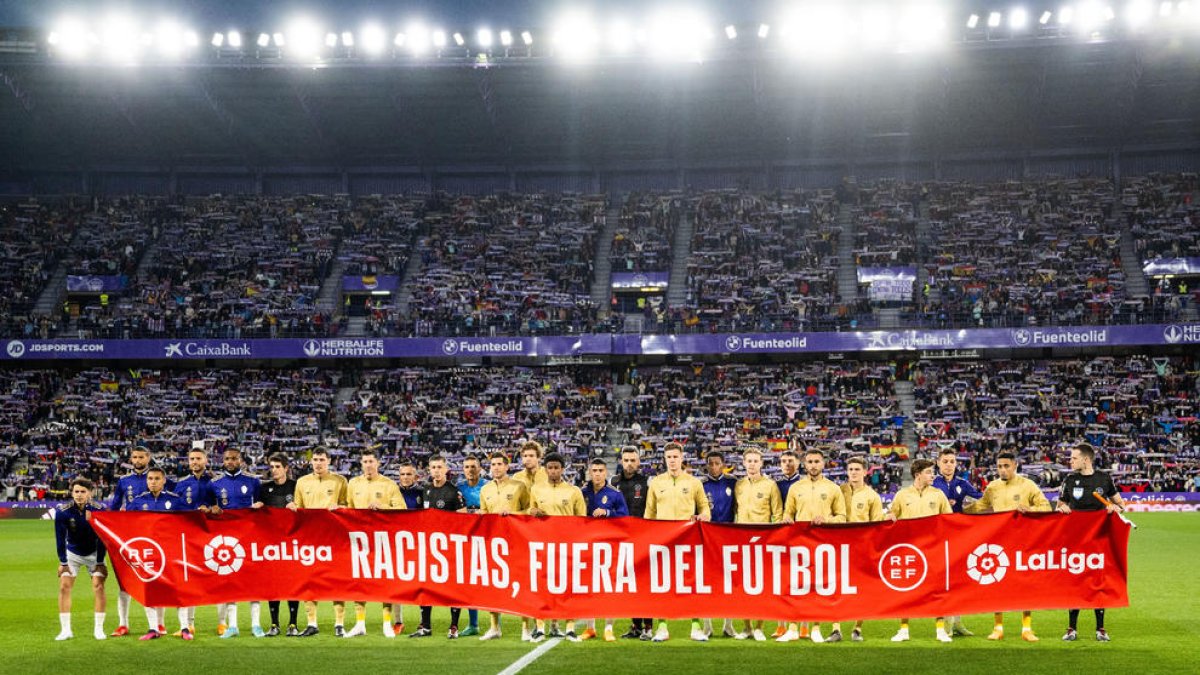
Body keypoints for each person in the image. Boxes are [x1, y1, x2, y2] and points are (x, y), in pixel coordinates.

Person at [966, 450, 1052, 641]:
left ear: (1015, 465)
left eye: (1006, 466)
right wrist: (957, 511)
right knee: (998, 584)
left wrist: (1030, 509)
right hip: (1000, 543)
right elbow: (980, 506)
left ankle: (1026, 629)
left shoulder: (1028, 485)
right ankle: (998, 627)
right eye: (999, 466)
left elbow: (1045, 507)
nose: (1002, 470)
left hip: (1023, 542)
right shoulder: (993, 487)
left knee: (1025, 585)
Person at [1055, 443, 1126, 642]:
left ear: (1086, 460)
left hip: (1099, 540)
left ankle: (1100, 629)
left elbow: (1121, 504)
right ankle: (1072, 629)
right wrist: (1061, 509)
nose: (1070, 461)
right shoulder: (1070, 480)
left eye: (1074, 458)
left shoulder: (1104, 478)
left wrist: (1115, 508)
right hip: (1075, 540)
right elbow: (1059, 505)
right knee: (1076, 581)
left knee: (1098, 582)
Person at [644, 441, 711, 643]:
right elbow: (649, 514)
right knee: (662, 583)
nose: (672, 460)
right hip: (663, 540)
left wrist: (703, 517)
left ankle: (696, 627)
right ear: (664, 459)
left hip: (688, 539)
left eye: (675, 457)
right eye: (669, 457)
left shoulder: (694, 482)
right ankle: (662, 627)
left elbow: (705, 509)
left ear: (682, 458)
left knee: (691, 582)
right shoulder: (656, 483)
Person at [778, 447, 847, 643]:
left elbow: (842, 516)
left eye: (817, 461)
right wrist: (787, 519)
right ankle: (792, 628)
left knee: (819, 587)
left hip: (823, 543)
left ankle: (815, 628)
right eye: (810, 462)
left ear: (823, 463)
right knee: (796, 585)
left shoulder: (833, 488)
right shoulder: (796, 487)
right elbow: (788, 513)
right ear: (804, 464)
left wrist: (826, 520)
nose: (813, 465)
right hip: (799, 543)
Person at [886, 458, 954, 643]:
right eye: (929, 472)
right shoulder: (902, 495)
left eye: (933, 472)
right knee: (906, 590)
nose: (933, 475)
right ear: (918, 475)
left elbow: (949, 520)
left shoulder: (938, 494)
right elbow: (892, 515)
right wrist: (890, 516)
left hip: (933, 548)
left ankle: (940, 630)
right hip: (910, 549)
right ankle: (903, 630)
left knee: (937, 590)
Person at [288, 447, 349, 637]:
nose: (318, 463)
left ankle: (339, 624)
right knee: (309, 581)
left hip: (333, 538)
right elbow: (298, 507)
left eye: (322, 459)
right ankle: (312, 623)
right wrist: (292, 507)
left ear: (329, 461)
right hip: (310, 539)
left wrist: (340, 507)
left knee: (337, 582)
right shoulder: (302, 482)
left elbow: (348, 506)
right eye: (315, 459)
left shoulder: (340, 481)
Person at [527, 452, 588, 642]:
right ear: (545, 469)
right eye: (550, 468)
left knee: (568, 587)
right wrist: (532, 511)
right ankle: (540, 627)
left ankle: (569, 627)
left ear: (562, 469)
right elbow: (530, 512)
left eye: (556, 468)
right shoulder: (536, 489)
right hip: (543, 544)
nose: (553, 471)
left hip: (566, 546)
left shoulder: (573, 491)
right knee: (542, 587)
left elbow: (582, 519)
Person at [345, 449, 405, 639]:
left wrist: (383, 507)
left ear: (378, 463)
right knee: (359, 582)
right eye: (365, 461)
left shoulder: (389, 484)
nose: (368, 465)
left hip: (382, 541)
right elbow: (349, 509)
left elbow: (402, 510)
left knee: (383, 582)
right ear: (361, 464)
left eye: (371, 461)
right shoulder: (353, 483)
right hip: (360, 540)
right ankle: (359, 623)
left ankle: (387, 623)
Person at [107, 445, 166, 638]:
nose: (138, 460)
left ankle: (160, 624)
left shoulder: (157, 477)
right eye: (134, 457)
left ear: (148, 458)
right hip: (132, 538)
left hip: (156, 539)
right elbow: (114, 508)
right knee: (125, 583)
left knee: (156, 581)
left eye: (141, 457)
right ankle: (123, 624)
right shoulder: (124, 481)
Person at [477, 451, 530, 641]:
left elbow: (529, 510)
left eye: (500, 464)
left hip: (516, 541)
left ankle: (526, 628)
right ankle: (494, 628)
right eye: (493, 464)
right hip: (493, 542)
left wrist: (515, 514)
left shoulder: (519, 486)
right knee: (492, 586)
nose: (496, 467)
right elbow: (483, 514)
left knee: (521, 584)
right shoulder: (485, 489)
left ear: (507, 466)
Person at [210, 448, 263, 638]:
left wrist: (260, 505)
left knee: (253, 583)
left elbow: (262, 505)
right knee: (231, 582)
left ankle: (256, 625)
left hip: (250, 538)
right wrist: (212, 508)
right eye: (227, 459)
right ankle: (232, 626)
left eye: (234, 458)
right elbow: (209, 508)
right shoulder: (214, 483)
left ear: (241, 460)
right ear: (222, 461)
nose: (230, 462)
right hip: (227, 541)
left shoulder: (253, 481)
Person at [732, 447, 782, 642]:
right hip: (741, 541)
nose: (752, 464)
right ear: (744, 463)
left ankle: (760, 627)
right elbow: (734, 511)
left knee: (762, 586)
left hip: (763, 542)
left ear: (761, 463)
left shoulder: (770, 486)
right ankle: (747, 627)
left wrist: (774, 539)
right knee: (743, 587)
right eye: (749, 461)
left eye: (755, 461)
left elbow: (777, 514)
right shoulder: (739, 485)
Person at [412, 455, 465, 640]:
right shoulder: (425, 490)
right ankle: (425, 625)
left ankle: (454, 626)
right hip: (429, 547)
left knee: (453, 587)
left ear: (446, 469)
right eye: (433, 467)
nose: (436, 470)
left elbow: (464, 519)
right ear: (429, 469)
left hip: (449, 547)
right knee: (425, 586)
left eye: (439, 467)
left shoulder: (453, 492)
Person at [128, 467, 183, 641]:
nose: (153, 482)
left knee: (176, 589)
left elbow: (187, 523)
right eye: (150, 478)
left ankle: (184, 628)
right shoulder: (138, 502)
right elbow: (126, 524)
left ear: (164, 480)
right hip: (148, 551)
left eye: (157, 478)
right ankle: (153, 628)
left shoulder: (175, 500)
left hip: (171, 551)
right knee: (149, 589)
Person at [932, 447, 982, 637]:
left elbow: (981, 500)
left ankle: (957, 622)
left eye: (952, 461)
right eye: (945, 461)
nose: (949, 465)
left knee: (959, 580)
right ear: (938, 463)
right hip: (938, 538)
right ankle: (944, 624)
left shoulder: (963, 483)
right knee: (942, 582)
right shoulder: (932, 483)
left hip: (958, 538)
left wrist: (970, 507)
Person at [580, 458, 628, 642]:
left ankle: (609, 628)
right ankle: (590, 627)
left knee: (609, 587)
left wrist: (607, 513)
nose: (597, 474)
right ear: (589, 472)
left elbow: (625, 518)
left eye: (601, 470)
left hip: (609, 546)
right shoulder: (582, 492)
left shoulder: (615, 494)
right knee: (588, 587)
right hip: (587, 545)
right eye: (594, 470)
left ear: (606, 472)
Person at [54, 478, 108, 641]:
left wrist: (100, 562)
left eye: (83, 491)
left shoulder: (100, 510)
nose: (79, 495)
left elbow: (103, 538)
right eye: (76, 491)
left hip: (94, 553)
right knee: (64, 587)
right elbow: (60, 538)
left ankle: (98, 629)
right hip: (73, 554)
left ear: (90, 493)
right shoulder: (63, 511)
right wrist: (63, 562)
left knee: (99, 587)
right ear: (72, 493)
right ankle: (65, 630)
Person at [171, 444, 215, 640]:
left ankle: (223, 623)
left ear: (206, 460)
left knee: (219, 578)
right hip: (187, 538)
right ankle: (188, 625)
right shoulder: (180, 485)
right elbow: (174, 511)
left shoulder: (215, 482)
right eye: (192, 459)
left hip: (212, 537)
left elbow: (223, 507)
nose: (195, 462)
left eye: (198, 458)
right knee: (187, 580)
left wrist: (211, 510)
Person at [253, 453, 299, 637]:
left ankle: (293, 624)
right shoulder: (264, 489)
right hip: (271, 544)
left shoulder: (296, 486)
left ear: (286, 468)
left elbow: (306, 511)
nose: (274, 470)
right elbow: (258, 514)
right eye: (271, 467)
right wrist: (256, 508)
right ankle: (274, 624)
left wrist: (298, 508)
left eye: (277, 466)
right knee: (273, 584)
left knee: (292, 583)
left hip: (292, 543)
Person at [841, 456, 884, 642]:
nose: (853, 472)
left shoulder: (872, 496)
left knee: (862, 590)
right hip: (839, 546)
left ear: (865, 472)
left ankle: (857, 628)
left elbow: (877, 525)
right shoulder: (838, 491)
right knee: (836, 588)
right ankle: (836, 628)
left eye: (857, 469)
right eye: (851, 469)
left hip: (862, 547)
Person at [611, 445, 652, 640]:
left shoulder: (646, 482)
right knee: (631, 584)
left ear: (639, 462)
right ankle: (636, 625)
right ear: (621, 461)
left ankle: (648, 626)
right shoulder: (614, 482)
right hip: (622, 539)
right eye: (626, 460)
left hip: (643, 538)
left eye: (632, 460)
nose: (629, 464)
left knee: (645, 584)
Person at [699, 450, 737, 639]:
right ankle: (707, 626)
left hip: (729, 538)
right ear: (706, 465)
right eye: (710, 463)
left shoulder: (733, 483)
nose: (714, 467)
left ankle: (728, 625)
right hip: (706, 538)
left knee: (729, 583)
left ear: (723, 464)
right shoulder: (700, 484)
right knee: (706, 583)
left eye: (717, 463)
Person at [454, 455, 489, 637]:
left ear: (480, 468)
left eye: (473, 466)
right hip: (467, 539)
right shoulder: (458, 488)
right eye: (466, 467)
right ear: (463, 469)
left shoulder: (488, 486)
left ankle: (496, 624)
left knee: (493, 581)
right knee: (469, 581)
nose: (470, 470)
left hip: (489, 537)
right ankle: (473, 624)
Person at [771, 447, 804, 639]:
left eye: (791, 461)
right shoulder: (776, 485)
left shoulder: (804, 483)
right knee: (781, 581)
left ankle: (804, 625)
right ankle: (781, 625)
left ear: (798, 463)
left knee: (802, 581)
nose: (787, 464)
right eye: (784, 461)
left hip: (801, 536)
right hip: (781, 536)